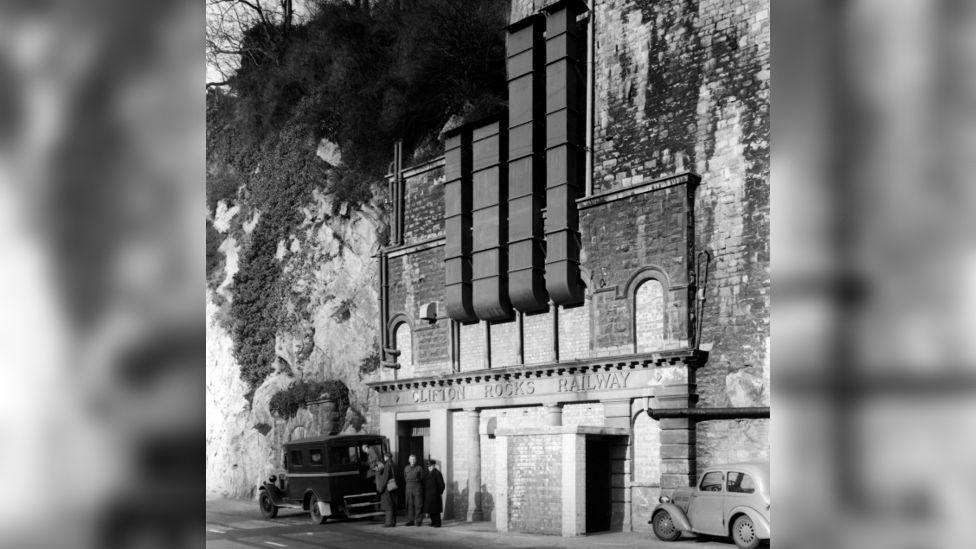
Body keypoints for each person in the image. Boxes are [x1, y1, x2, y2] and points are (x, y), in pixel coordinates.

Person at [402, 454, 426, 526]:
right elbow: (405, 477)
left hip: (417, 487)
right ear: (409, 460)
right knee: (409, 504)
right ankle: (410, 520)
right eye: (411, 459)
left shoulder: (419, 468)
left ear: (415, 460)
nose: (412, 461)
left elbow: (422, 478)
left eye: (413, 459)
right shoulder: (406, 468)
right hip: (408, 487)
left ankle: (418, 521)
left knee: (418, 504)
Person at [374, 452, 397, 527]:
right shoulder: (394, 464)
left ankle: (388, 523)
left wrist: (381, 488)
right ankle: (393, 522)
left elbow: (385, 477)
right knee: (393, 504)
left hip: (388, 487)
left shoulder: (387, 465)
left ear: (385, 457)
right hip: (394, 486)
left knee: (388, 505)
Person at [422, 459, 445, 527]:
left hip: (435, 495)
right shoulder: (427, 473)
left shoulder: (437, 473)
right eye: (428, 466)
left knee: (436, 510)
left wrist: (438, 493)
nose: (429, 467)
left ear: (434, 466)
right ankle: (433, 522)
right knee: (430, 510)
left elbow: (442, 485)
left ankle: (437, 523)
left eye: (431, 466)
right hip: (428, 495)